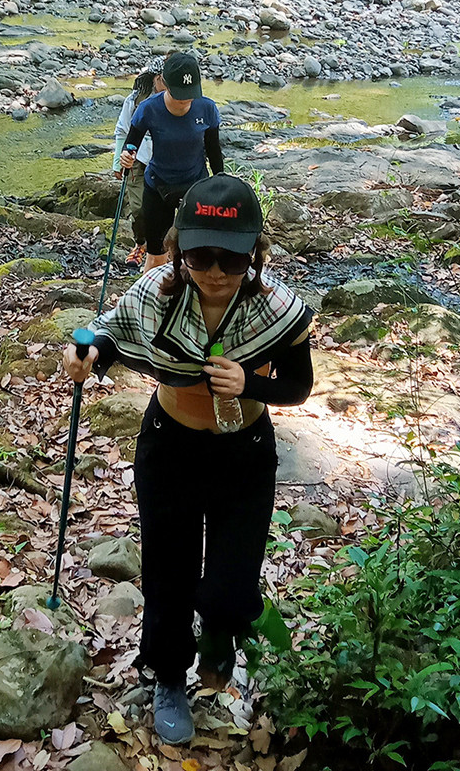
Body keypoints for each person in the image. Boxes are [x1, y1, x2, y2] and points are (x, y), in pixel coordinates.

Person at [62, 175, 313, 746]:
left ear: (255, 252)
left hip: (244, 455)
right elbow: (111, 338)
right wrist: (88, 357)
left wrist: (251, 383)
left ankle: (222, 632)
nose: (216, 271)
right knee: (169, 575)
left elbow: (298, 385)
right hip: (169, 447)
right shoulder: (157, 292)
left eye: (232, 257)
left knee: (230, 586)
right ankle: (170, 678)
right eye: (200, 256)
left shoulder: (278, 307)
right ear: (178, 249)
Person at [120, 51, 223, 272]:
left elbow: (214, 151)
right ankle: (150, 299)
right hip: (158, 186)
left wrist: (221, 180)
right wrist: (126, 156)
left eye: (190, 94)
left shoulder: (207, 109)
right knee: (156, 255)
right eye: (180, 94)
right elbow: (131, 143)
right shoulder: (149, 109)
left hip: (195, 187)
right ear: (165, 84)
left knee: (196, 254)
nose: (186, 100)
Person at [114, 56, 166, 268]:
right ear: (155, 79)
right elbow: (122, 130)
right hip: (137, 161)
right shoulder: (135, 100)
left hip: (164, 161)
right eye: (164, 79)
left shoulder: (177, 100)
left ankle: (166, 248)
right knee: (138, 208)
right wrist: (118, 162)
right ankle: (140, 244)